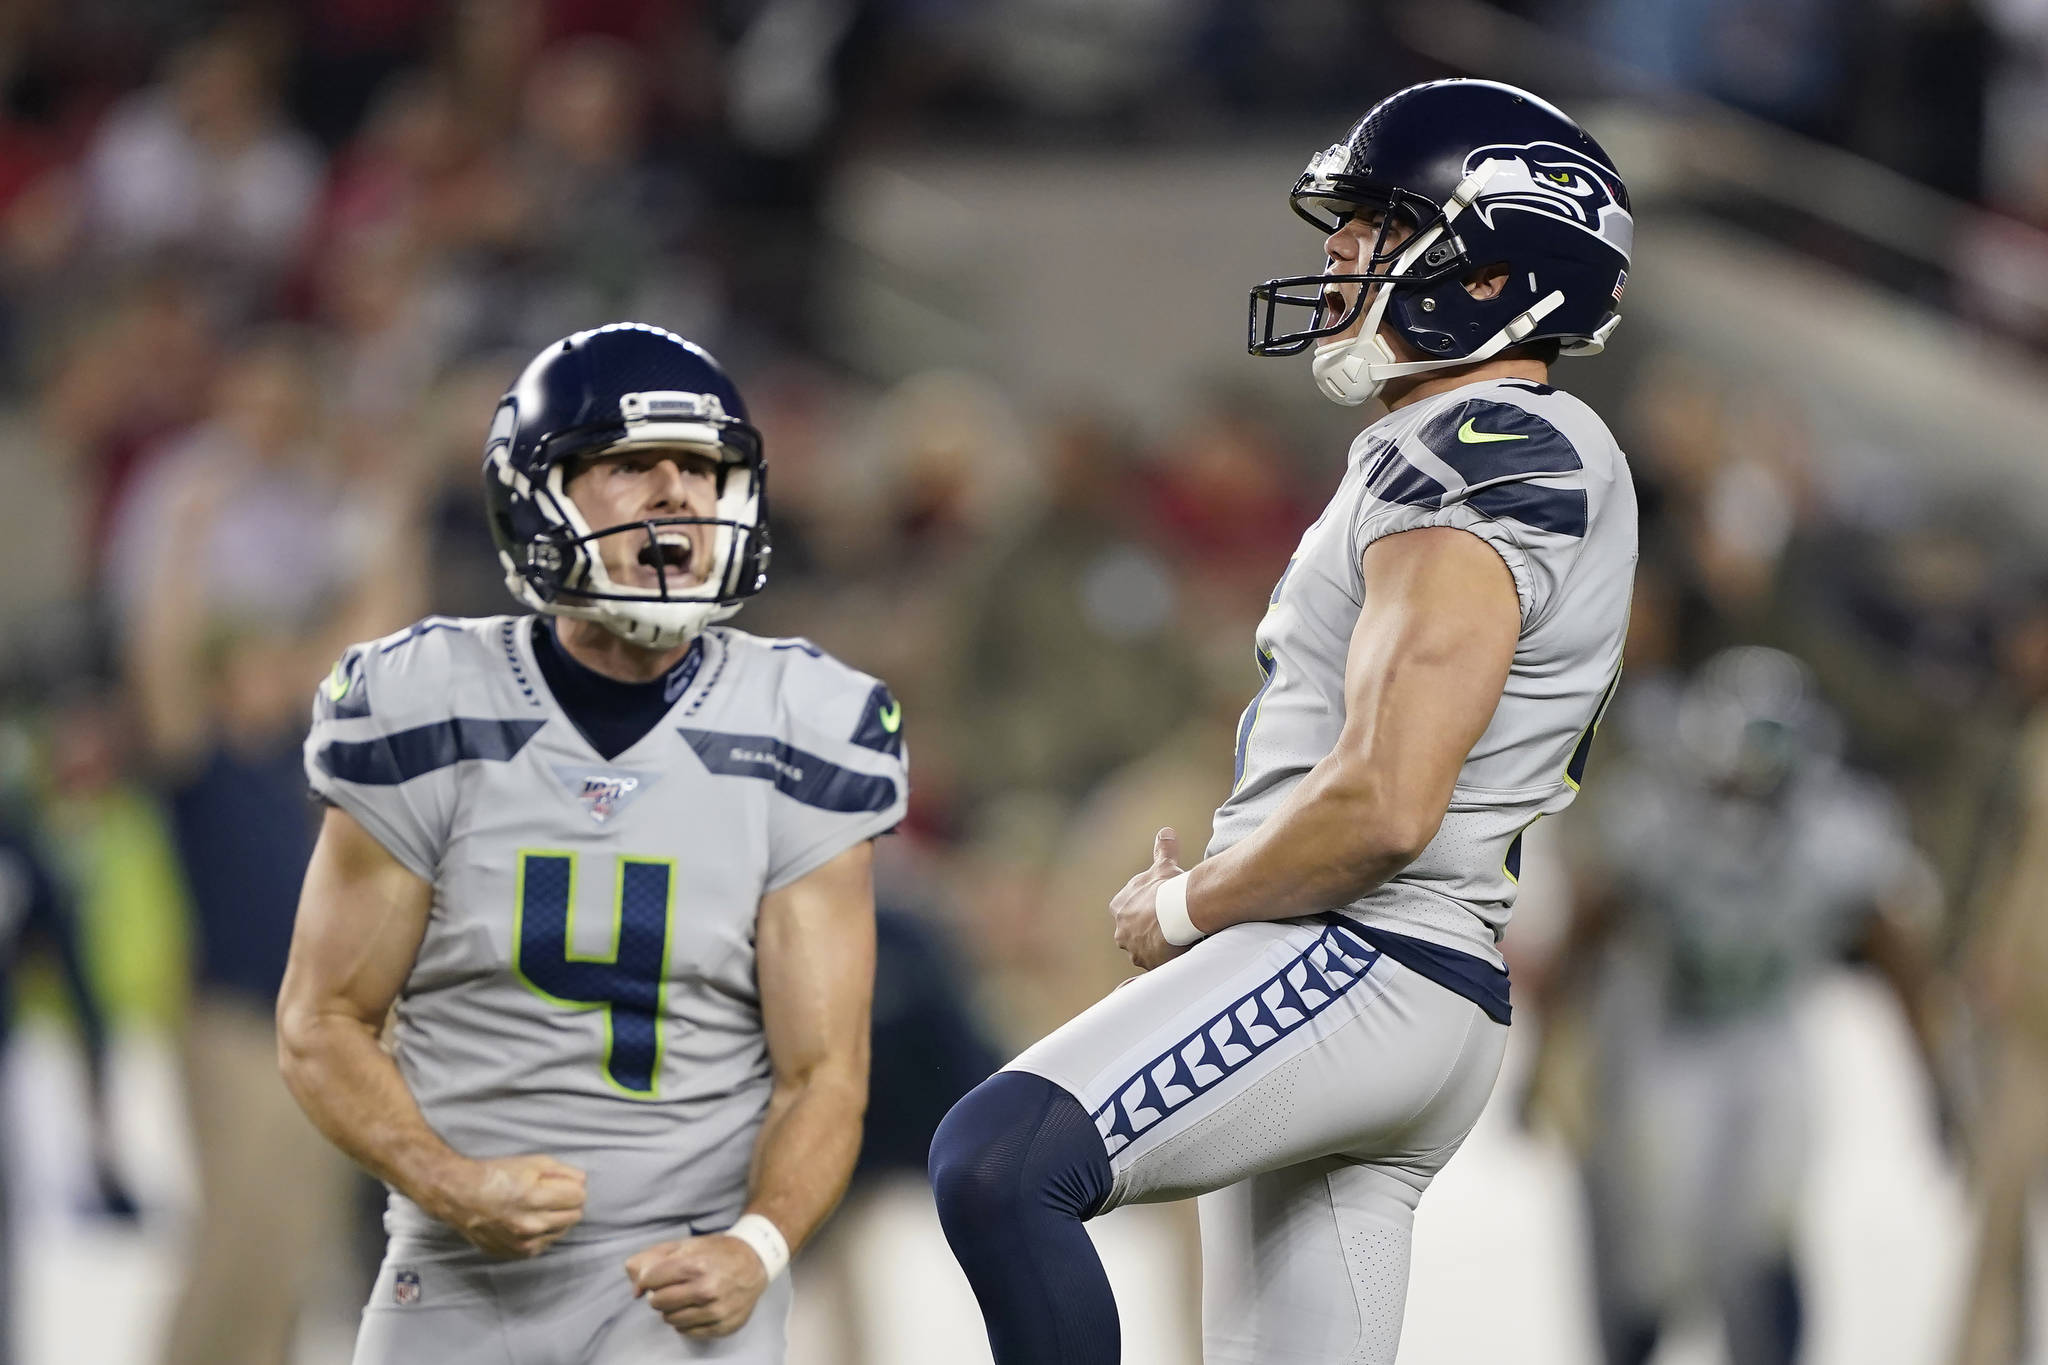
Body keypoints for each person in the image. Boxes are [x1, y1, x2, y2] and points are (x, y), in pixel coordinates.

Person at [928, 78, 1638, 1365]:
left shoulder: (1478, 438)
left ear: (1489, 274)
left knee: (997, 1160)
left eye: (1377, 222)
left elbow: (1383, 801)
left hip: (1366, 954)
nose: (1338, 251)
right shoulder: (1475, 441)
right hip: (1399, 978)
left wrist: (1191, 906)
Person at [275, 323, 907, 1364]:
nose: (673, 495)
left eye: (700, 468)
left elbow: (824, 1071)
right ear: (536, 494)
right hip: (456, 1269)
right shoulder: (421, 705)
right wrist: (447, 1181)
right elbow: (322, 1019)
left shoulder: (805, 719)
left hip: (688, 1276)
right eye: (626, 465)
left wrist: (758, 1244)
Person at [1525, 647, 1949, 1365]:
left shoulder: (1833, 831)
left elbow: (1896, 956)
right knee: (1653, 1222)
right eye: (1725, 784)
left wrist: (1937, 1079)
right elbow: (1587, 934)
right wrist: (1546, 1062)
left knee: (1767, 1217)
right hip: (1665, 1029)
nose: (1739, 803)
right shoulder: (1655, 815)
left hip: (1765, 1030)